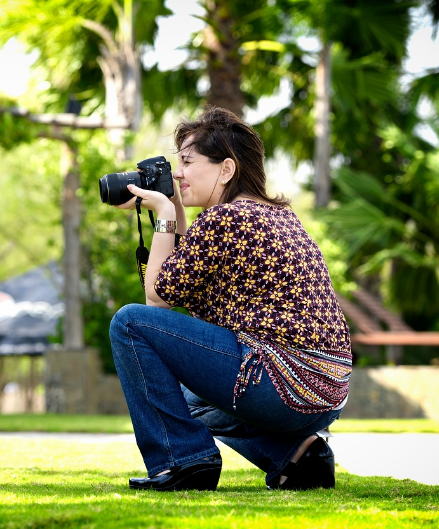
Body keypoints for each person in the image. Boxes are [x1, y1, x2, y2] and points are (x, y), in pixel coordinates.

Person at [108, 106, 352, 492]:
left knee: (129, 322)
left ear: (226, 169)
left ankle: (184, 461)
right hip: (326, 390)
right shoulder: (273, 215)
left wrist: (164, 215)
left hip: (280, 382)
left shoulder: (227, 219)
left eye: (187, 162)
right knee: (186, 397)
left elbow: (157, 299)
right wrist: (171, 206)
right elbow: (186, 272)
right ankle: (297, 456)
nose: (177, 173)